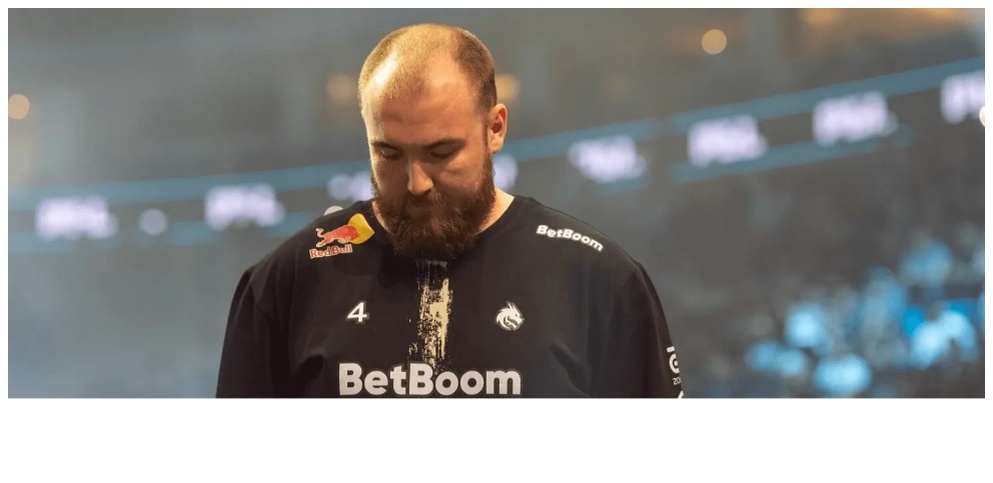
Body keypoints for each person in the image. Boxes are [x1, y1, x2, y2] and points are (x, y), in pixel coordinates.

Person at [215, 23, 683, 398]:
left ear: (495, 128)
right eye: (389, 153)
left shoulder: (597, 279)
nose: (416, 183)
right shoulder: (288, 282)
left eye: (441, 153)